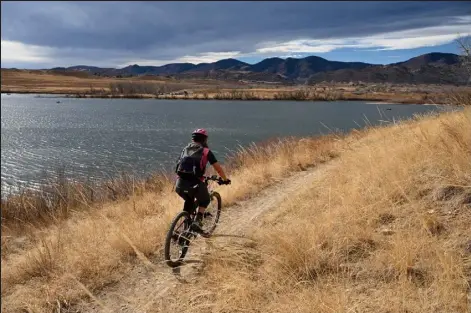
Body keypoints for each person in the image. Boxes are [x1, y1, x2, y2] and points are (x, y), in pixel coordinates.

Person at [174, 128, 231, 233]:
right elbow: (218, 168)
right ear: (204, 139)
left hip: (179, 183)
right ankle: (197, 222)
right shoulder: (206, 151)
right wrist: (225, 179)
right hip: (195, 183)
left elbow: (178, 166)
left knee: (189, 200)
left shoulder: (185, 149)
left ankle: (181, 230)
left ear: (193, 139)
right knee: (205, 200)